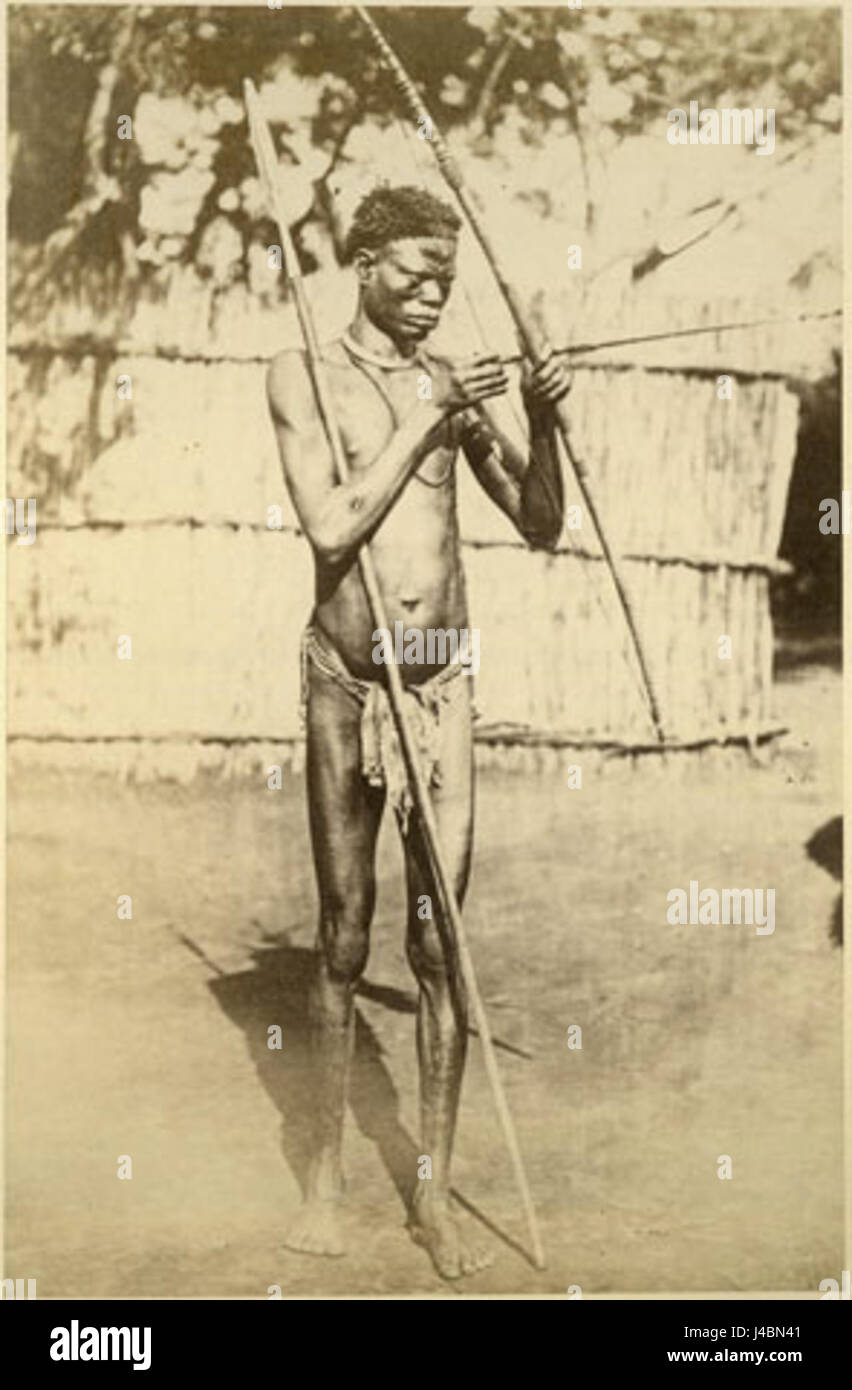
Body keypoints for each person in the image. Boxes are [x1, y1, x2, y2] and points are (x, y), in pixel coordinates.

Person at [267, 184, 570, 1278]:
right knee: (345, 938)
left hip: (442, 691)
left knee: (439, 943)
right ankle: (325, 1179)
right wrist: (427, 418)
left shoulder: (450, 386)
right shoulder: (301, 370)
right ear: (363, 264)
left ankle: (433, 1193)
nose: (435, 291)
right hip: (347, 681)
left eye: (448, 275)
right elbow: (335, 520)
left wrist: (539, 419)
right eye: (414, 272)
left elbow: (538, 523)